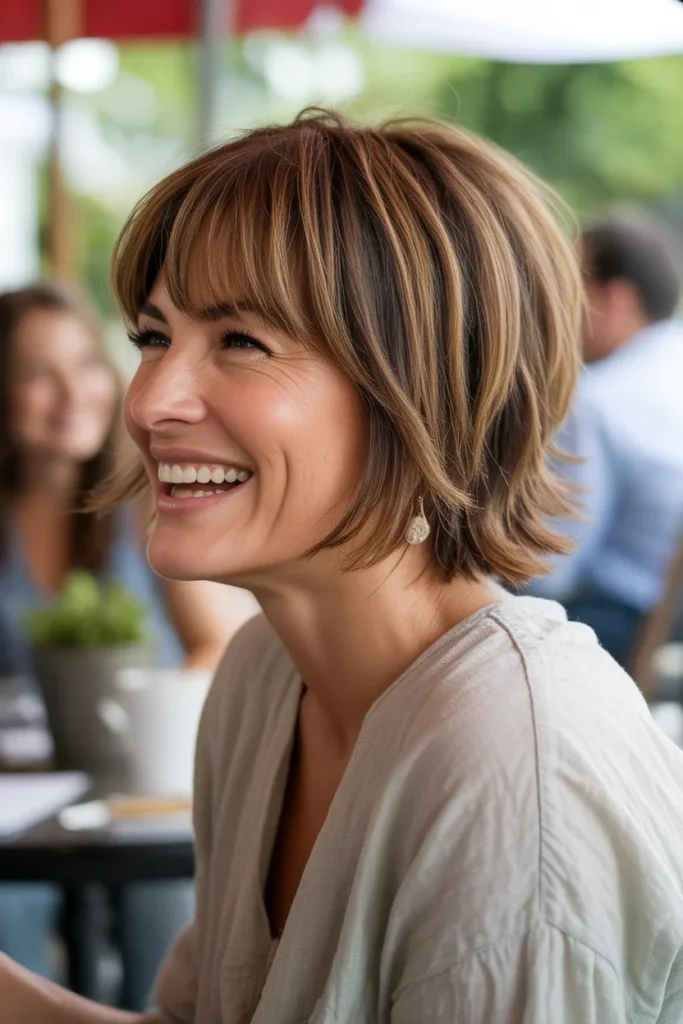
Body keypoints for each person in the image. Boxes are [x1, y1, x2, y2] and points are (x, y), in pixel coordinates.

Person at [4, 111, 683, 1024]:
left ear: (418, 391)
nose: (150, 401)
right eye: (154, 337)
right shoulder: (263, 675)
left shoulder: (509, 766)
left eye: (240, 341)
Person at [0, 282, 257, 1010]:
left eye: (86, 363)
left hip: (144, 789)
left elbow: (217, 642)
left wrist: (145, 716)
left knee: (165, 907)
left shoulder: (152, 495)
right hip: (22, 795)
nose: (71, 393)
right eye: (37, 372)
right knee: (8, 908)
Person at [527, 213, 683, 667]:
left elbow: (552, 569)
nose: (555, 305)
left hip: (628, 624)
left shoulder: (599, 400)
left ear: (615, 299)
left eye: (569, 284)